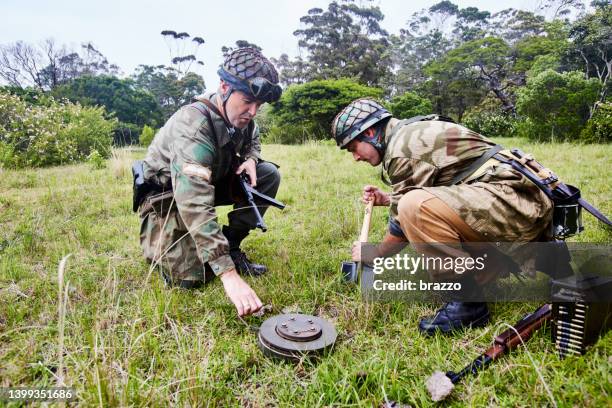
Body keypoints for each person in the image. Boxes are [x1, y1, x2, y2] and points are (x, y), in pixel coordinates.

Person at [331, 98, 554, 335]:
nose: (355, 157)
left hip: (517, 204)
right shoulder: (410, 132)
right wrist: (388, 198)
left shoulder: (403, 149)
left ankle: (468, 305)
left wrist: (375, 253)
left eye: (353, 147)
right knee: (411, 204)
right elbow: (447, 182)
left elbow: (401, 225)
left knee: (412, 207)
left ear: (371, 132)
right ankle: (492, 265)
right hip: (516, 200)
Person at [138, 47, 283, 316]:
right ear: (224, 87)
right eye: (248, 101)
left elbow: (253, 137)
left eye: (259, 106)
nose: (252, 112)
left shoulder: (242, 117)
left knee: (268, 174)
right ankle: (173, 244)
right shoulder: (193, 125)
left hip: (210, 182)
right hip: (168, 199)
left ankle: (233, 244)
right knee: (191, 278)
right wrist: (228, 274)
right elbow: (194, 200)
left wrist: (251, 158)